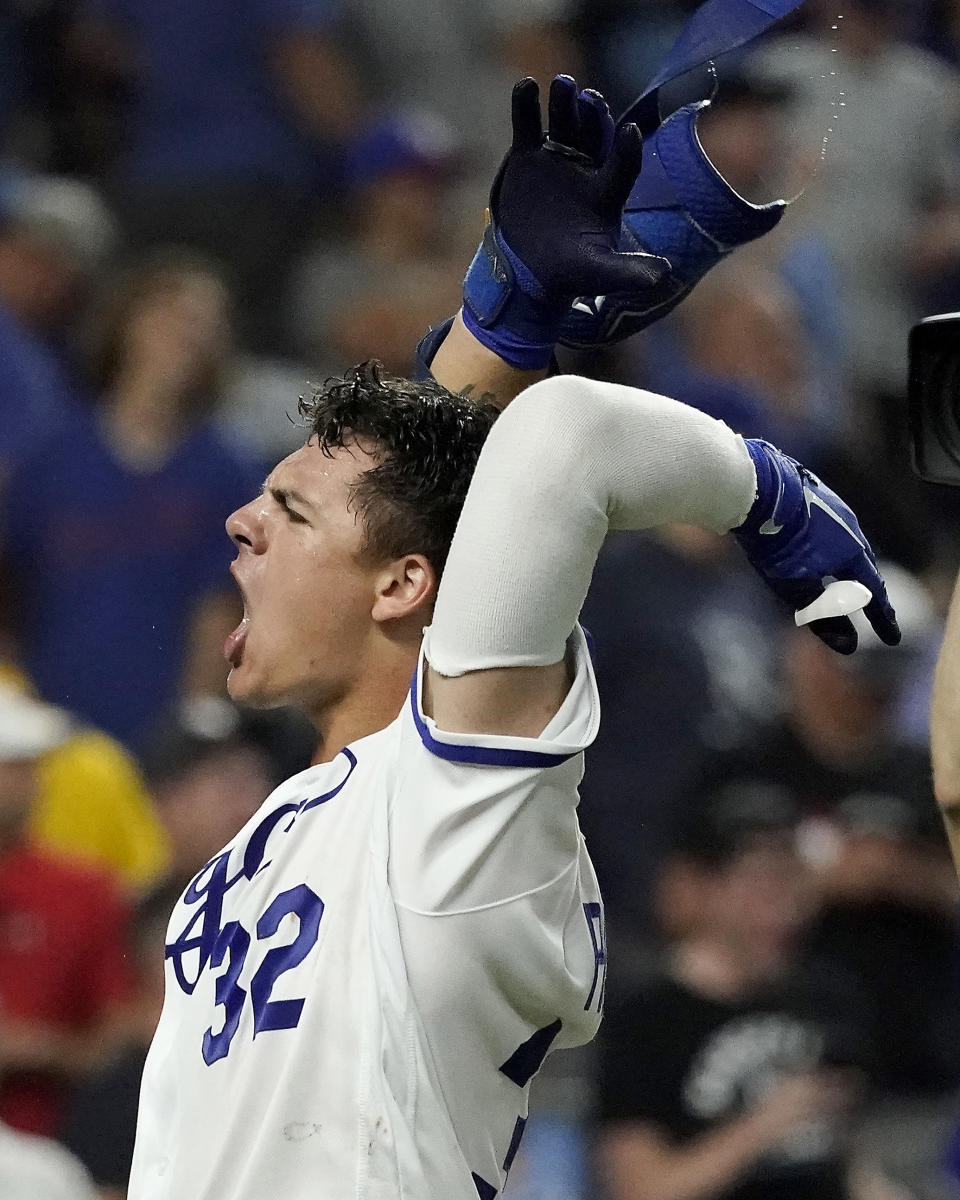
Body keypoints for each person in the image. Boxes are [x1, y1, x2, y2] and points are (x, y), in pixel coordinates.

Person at [127, 76, 899, 1200]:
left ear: (404, 590)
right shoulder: (338, 801)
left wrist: (764, 491)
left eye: (282, 513)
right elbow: (398, 512)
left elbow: (563, 445)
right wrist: (504, 307)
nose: (240, 523)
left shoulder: (454, 806)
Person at [0, 249, 265, 748]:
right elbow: (11, 588)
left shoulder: (225, 471)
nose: (187, 336)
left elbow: (219, 607)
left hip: (164, 735)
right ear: (127, 323)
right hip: (51, 727)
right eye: (173, 317)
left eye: (205, 325)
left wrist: (195, 727)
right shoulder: (49, 461)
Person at [596, 785, 907, 1200]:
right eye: (759, 885)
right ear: (708, 888)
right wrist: (768, 1122)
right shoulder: (647, 1021)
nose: (781, 909)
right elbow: (641, 1190)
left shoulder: (825, 996)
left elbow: (845, 1159)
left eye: (791, 883)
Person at [0, 686, 133, 1137]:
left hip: (48, 1145)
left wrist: (36, 1049)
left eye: (31, 767)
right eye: (14, 766)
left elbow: (115, 1036)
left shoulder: (82, 889)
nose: (32, 782)